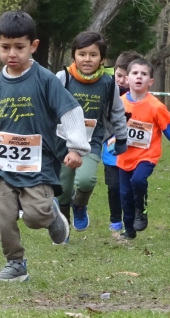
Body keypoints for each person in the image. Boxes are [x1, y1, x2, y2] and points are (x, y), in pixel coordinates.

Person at [0, 11, 90, 282]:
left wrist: (77, 148)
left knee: (34, 217)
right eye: (6, 47)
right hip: (2, 166)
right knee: (3, 217)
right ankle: (16, 264)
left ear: (33, 46)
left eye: (19, 47)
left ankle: (52, 215)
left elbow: (70, 111)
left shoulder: (45, 80)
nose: (12, 54)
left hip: (38, 164)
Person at [53, 32, 128, 237]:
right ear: (74, 56)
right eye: (82, 54)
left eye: (93, 55)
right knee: (63, 188)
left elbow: (117, 112)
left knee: (86, 180)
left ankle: (79, 206)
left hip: (91, 141)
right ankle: (63, 225)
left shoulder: (108, 82)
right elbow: (48, 108)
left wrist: (121, 138)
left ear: (102, 59)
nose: (87, 59)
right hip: (62, 142)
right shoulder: (63, 78)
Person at [117, 58, 170, 239]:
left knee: (137, 181)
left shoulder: (156, 106)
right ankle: (128, 231)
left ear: (150, 81)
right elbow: (110, 127)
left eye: (144, 74)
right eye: (135, 73)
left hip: (147, 156)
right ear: (126, 78)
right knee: (125, 194)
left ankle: (141, 209)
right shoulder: (119, 103)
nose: (139, 77)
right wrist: (112, 138)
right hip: (124, 156)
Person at [101, 50, 143, 232]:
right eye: (119, 75)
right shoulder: (106, 88)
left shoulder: (139, 96)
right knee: (114, 186)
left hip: (132, 151)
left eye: (127, 77)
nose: (122, 81)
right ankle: (115, 220)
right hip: (110, 150)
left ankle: (134, 215)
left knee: (131, 186)